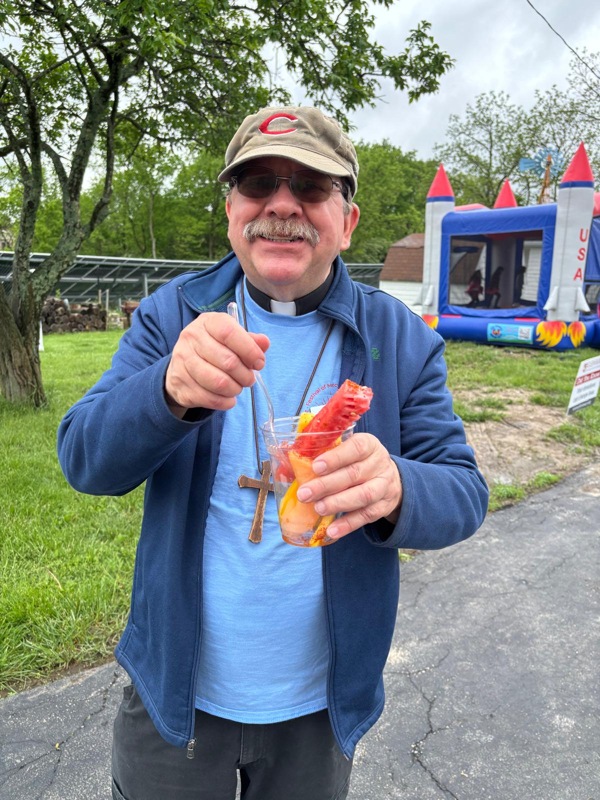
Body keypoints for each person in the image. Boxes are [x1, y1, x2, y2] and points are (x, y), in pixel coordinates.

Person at [57, 106, 489, 800]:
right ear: (232, 211)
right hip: (175, 695)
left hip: (318, 704)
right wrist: (164, 391)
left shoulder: (400, 337)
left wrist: (397, 487)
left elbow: (465, 493)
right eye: (258, 184)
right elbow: (84, 459)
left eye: (311, 186)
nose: (282, 205)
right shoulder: (173, 316)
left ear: (347, 221)